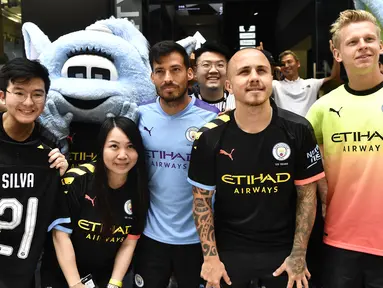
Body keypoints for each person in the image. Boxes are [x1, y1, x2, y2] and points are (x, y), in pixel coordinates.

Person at [187, 48, 325, 288]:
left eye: (261, 70)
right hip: (229, 253)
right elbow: (201, 201)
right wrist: (210, 258)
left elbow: (307, 196)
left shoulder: (299, 129)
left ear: (272, 78)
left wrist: (299, 255)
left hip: (284, 253)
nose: (254, 77)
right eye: (243, 72)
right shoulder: (208, 137)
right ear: (229, 85)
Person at [306, 9, 383, 288]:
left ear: (380, 46)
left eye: (369, 39)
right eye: (352, 42)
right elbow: (304, 170)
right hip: (339, 241)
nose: (363, 46)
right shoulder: (322, 109)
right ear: (337, 53)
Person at [134, 41, 219, 288]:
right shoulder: (140, 115)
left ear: (189, 73)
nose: (167, 78)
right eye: (160, 71)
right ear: (152, 76)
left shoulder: (212, 119)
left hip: (198, 240)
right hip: (150, 238)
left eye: (175, 70)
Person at [39, 116, 149, 288]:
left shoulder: (139, 187)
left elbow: (130, 241)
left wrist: (114, 283)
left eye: (130, 147)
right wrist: (76, 284)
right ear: (101, 148)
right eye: (114, 146)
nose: (122, 155)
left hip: (104, 276)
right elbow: (60, 236)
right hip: (62, 274)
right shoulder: (77, 180)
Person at [0, 57, 68, 288]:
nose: (28, 102)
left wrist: (62, 173)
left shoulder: (51, 149)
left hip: (26, 272)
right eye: (19, 92)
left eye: (37, 94)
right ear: (2, 95)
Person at [273, 45, 340, 116]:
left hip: (307, 125)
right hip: (283, 126)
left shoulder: (311, 83)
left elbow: (334, 78)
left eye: (289, 62)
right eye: (283, 64)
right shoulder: (275, 85)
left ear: (298, 64)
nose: (286, 66)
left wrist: (335, 56)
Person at [192, 42, 235, 111]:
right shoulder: (185, 105)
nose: (213, 70)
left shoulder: (238, 104)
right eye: (206, 65)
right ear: (195, 71)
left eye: (220, 65)